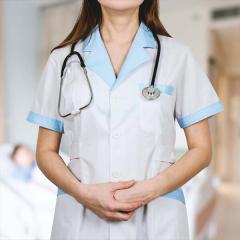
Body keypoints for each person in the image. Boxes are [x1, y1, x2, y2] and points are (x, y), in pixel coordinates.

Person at [26, 0, 224, 239]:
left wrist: (148, 191)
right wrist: (82, 193)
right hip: (81, 219)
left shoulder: (176, 56)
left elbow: (201, 150)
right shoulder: (63, 60)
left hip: (158, 219)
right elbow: (45, 151)